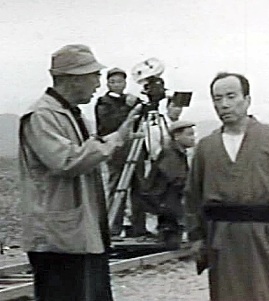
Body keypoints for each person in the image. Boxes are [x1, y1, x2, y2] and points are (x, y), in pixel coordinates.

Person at [19, 44, 141, 301]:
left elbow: (85, 154)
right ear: (72, 79)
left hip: (81, 235)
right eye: (93, 75)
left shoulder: (74, 116)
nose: (99, 82)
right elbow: (67, 161)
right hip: (58, 241)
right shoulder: (42, 116)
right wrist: (117, 138)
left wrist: (118, 136)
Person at [185, 72, 269, 301]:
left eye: (231, 96)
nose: (224, 104)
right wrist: (196, 235)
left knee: (267, 292)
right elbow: (193, 195)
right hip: (222, 237)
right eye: (217, 98)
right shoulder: (206, 147)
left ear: (246, 100)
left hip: (265, 234)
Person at [95, 67, 143, 238]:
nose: (116, 85)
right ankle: (113, 227)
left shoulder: (131, 100)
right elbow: (110, 123)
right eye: (113, 81)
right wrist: (130, 110)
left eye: (120, 81)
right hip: (115, 149)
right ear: (107, 83)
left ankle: (139, 227)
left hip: (134, 147)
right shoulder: (103, 102)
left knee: (138, 187)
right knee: (117, 187)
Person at [141, 120, 195, 249]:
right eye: (189, 134)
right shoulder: (170, 154)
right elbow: (177, 179)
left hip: (168, 202)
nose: (193, 138)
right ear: (177, 136)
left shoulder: (176, 153)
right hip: (167, 202)